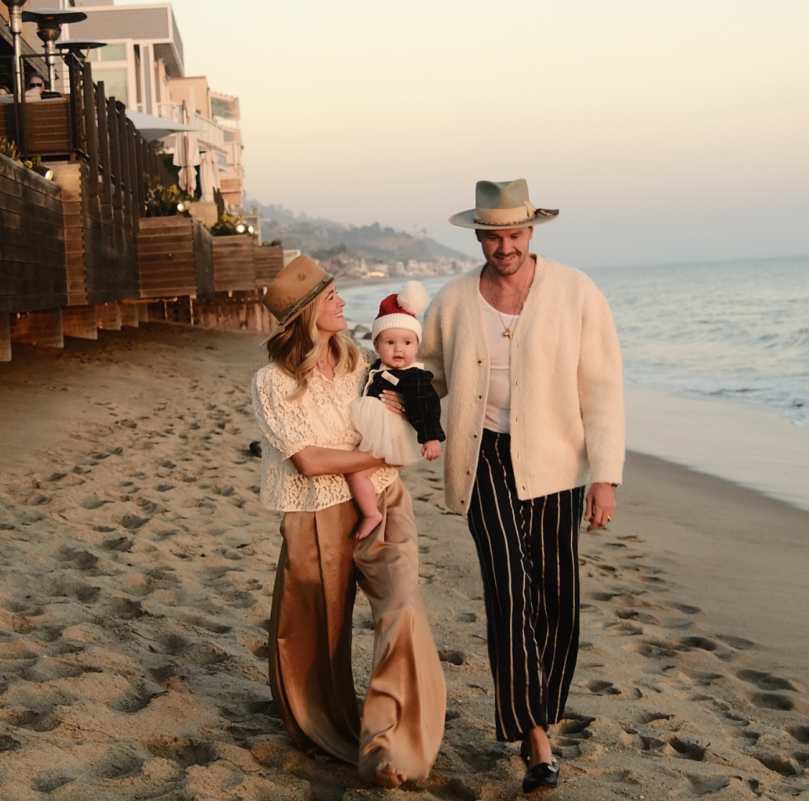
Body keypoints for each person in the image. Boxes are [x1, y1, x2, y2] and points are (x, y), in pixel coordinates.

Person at [419, 179, 625, 794]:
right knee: (509, 586)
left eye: (514, 234)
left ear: (530, 233)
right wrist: (382, 393)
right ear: (478, 235)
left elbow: (603, 387)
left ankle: (543, 709)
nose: (504, 246)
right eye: (493, 235)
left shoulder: (575, 291)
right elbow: (426, 372)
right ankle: (534, 735)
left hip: (557, 463)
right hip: (482, 457)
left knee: (556, 592)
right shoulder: (455, 300)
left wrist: (605, 476)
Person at [250, 255, 446, 786]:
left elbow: (401, 403)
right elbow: (309, 461)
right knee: (319, 630)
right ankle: (326, 727)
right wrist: (379, 458)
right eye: (332, 296)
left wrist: (409, 422)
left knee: (403, 605)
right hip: (314, 511)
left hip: (385, 500)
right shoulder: (270, 382)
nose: (341, 302)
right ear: (309, 311)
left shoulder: (361, 360)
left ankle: (393, 744)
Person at [346, 281, 445, 538]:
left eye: (407, 343)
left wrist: (431, 437)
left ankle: (371, 514)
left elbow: (426, 405)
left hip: (391, 436)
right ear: (377, 346)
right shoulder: (379, 366)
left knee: (357, 474)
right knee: (356, 469)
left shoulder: (414, 378)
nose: (398, 348)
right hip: (376, 432)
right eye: (390, 342)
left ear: (417, 346)